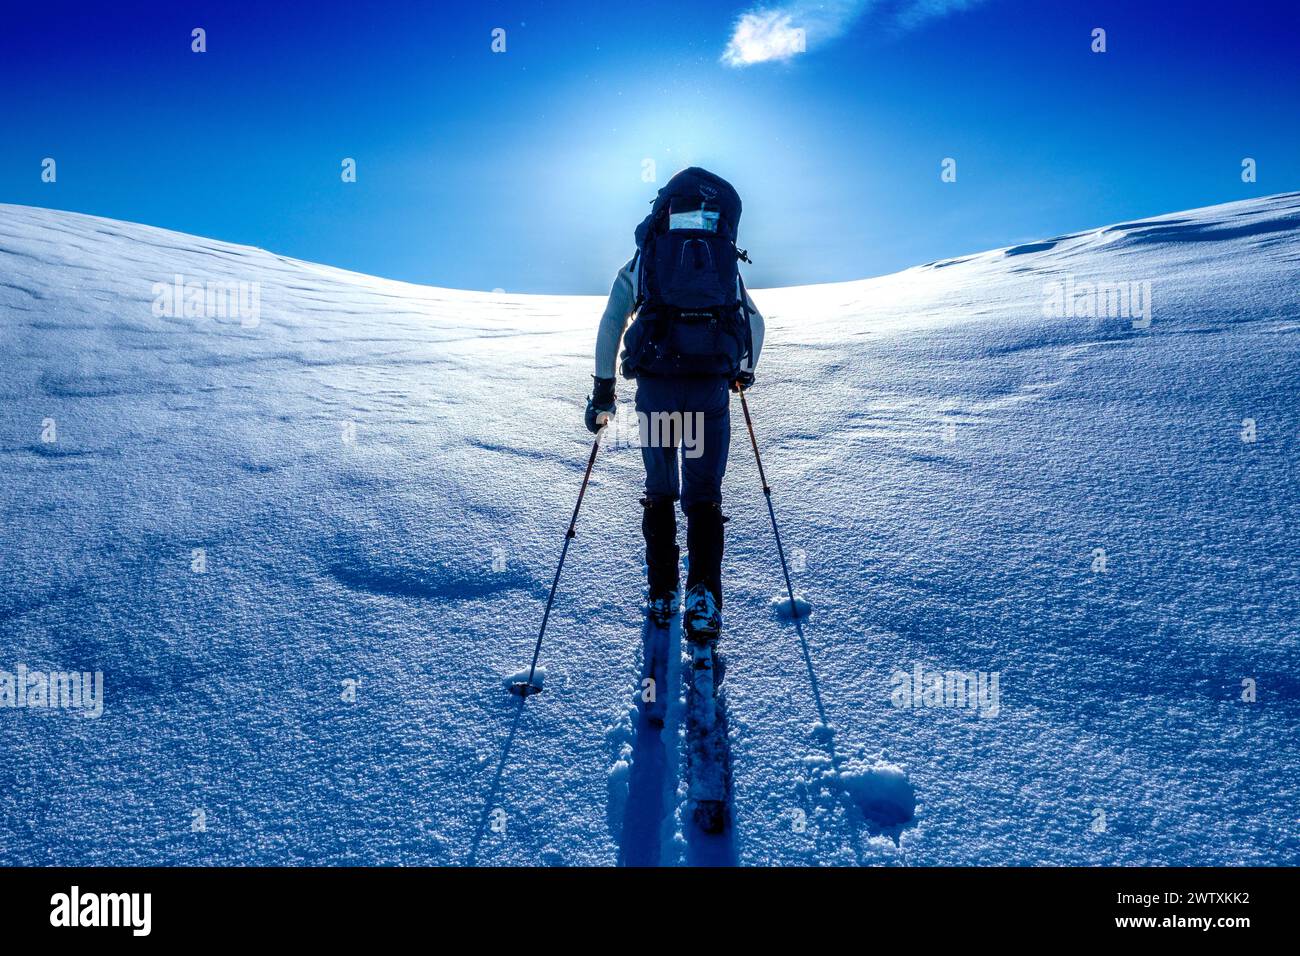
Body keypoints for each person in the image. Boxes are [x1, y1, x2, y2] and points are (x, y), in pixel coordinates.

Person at [584, 167, 764, 642]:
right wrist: (743, 371)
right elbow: (754, 321)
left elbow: (611, 321)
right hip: (708, 390)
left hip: (659, 389)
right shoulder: (721, 259)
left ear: (663, 213)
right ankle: (703, 597)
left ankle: (662, 590)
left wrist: (604, 390)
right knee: (704, 495)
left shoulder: (646, 259)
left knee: (661, 487)